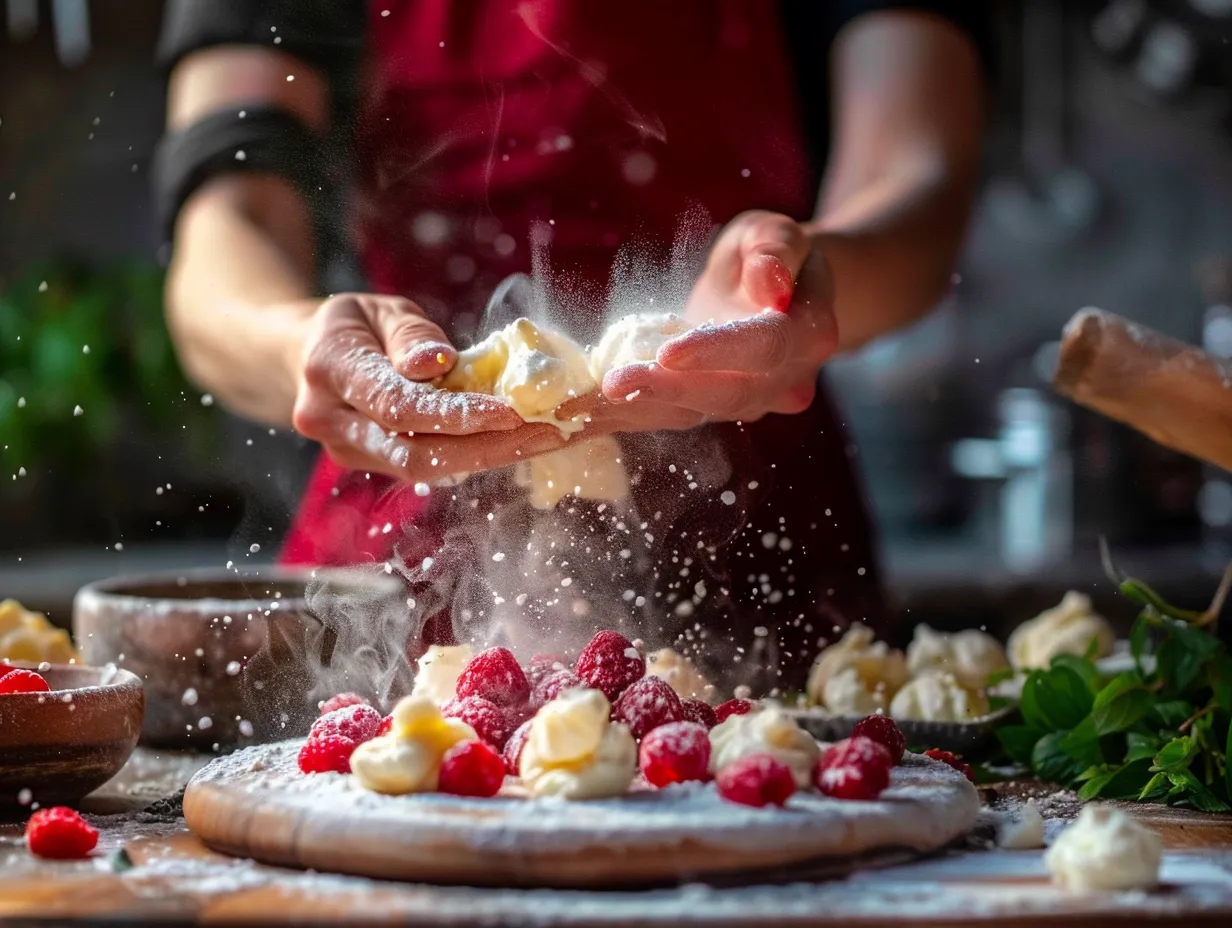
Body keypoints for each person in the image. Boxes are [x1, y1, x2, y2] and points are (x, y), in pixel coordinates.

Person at [155, 1, 990, 694]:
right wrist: (301, 340)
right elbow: (232, 222)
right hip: (399, 517)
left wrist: (812, 279)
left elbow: (915, 178)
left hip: (756, 513)